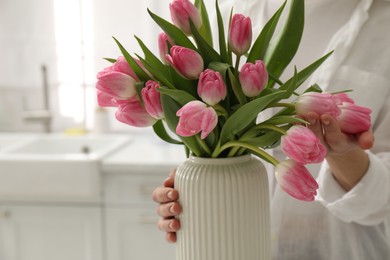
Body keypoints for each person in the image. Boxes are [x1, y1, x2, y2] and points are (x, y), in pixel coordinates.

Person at [152, 0, 390, 259]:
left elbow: (382, 205)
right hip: (232, 247)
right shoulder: (227, 16)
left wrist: (342, 154)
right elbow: (213, 136)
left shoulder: (384, 22)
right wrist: (195, 190)